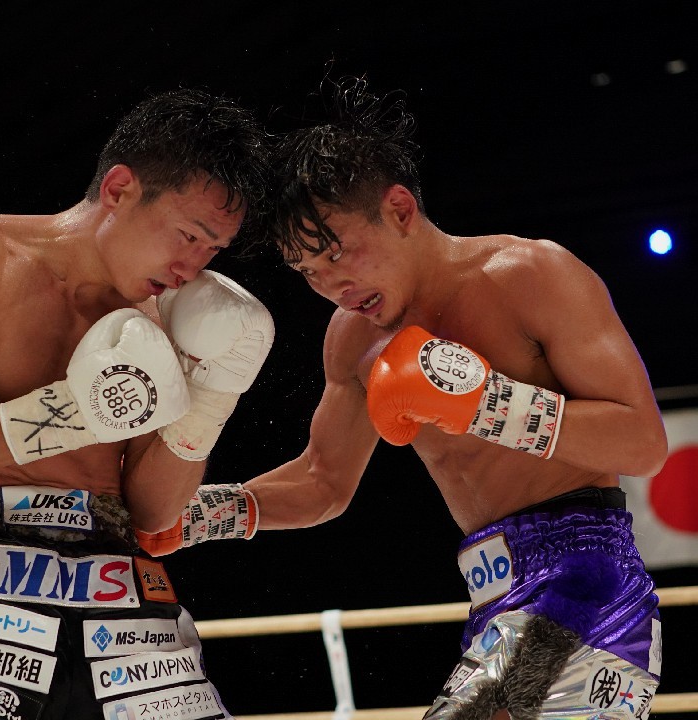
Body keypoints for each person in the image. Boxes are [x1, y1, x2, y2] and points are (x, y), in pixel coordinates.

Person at [137, 78, 668, 720]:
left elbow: (643, 442)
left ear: (399, 209)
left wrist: (486, 404)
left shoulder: (530, 275)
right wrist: (196, 515)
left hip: (583, 584)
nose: (332, 285)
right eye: (308, 272)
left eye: (336, 252)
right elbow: (322, 482)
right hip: (497, 600)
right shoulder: (353, 339)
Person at [0, 87, 274, 720]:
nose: (191, 268)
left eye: (212, 251)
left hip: (122, 595)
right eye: (188, 235)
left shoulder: (164, 321)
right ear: (118, 189)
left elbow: (152, 512)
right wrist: (78, 414)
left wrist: (210, 399)